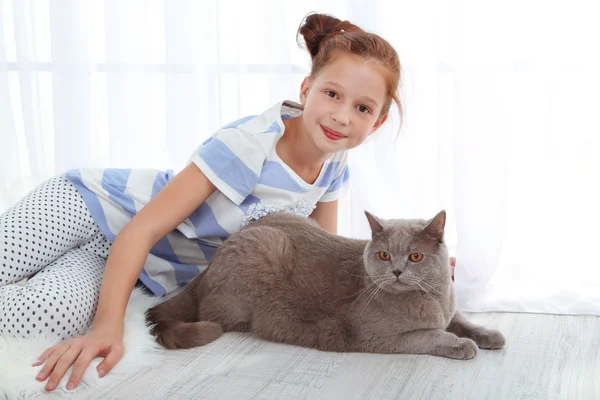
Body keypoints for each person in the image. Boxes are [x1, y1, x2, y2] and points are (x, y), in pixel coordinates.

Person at [0, 13, 410, 392]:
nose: (342, 116)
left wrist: (412, 268)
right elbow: (141, 227)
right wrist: (108, 328)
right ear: (306, 90)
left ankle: (50, 275)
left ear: (377, 122)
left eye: (361, 108)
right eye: (332, 94)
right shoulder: (247, 147)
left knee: (33, 319)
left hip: (132, 261)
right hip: (95, 207)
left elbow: (321, 255)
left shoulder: (334, 165)